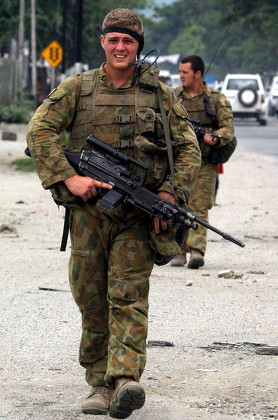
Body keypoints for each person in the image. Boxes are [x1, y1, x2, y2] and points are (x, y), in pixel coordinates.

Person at [26, 9, 201, 419]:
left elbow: (189, 148)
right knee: (91, 299)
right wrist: (69, 178)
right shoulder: (78, 88)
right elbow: (40, 130)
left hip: (137, 219)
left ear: (139, 46)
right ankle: (98, 382)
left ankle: (124, 380)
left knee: (128, 296)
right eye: (114, 40)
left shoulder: (160, 93)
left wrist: (169, 194)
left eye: (129, 42)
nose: (121, 48)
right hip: (88, 215)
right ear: (103, 42)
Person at [171, 55, 234, 269]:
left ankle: (196, 251)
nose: (181, 76)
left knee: (199, 205)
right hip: (179, 161)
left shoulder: (216, 99)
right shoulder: (173, 97)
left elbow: (228, 129)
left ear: (198, 74)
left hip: (205, 162)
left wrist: (215, 137)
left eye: (185, 72)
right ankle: (178, 251)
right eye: (180, 72)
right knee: (177, 203)